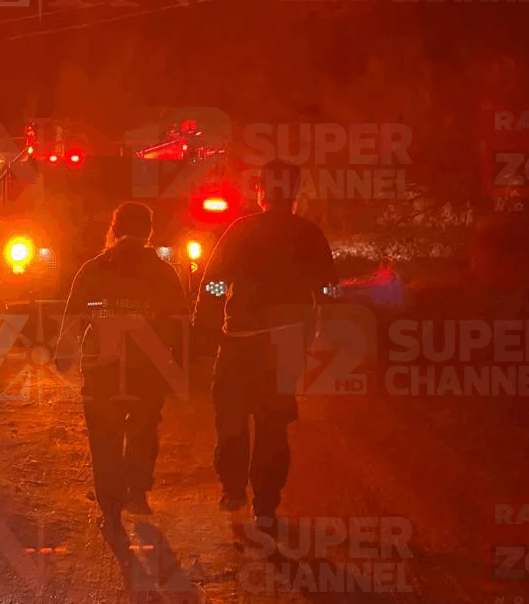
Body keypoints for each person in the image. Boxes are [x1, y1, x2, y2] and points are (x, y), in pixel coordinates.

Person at [193, 159, 338, 524]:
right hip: (285, 347)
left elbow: (213, 282)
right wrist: (322, 323)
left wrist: (205, 326)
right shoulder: (309, 234)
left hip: (238, 342)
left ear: (260, 191)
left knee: (231, 421)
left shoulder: (240, 230)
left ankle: (233, 490)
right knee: (273, 427)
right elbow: (328, 287)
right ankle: (266, 506)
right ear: (294, 193)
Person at [57, 201, 187, 529]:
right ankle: (137, 488)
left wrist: (65, 355)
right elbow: (181, 322)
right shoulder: (163, 273)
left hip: (102, 371)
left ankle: (111, 507)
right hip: (147, 369)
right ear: (149, 232)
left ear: (113, 230)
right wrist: (179, 365)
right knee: (143, 428)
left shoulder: (93, 269)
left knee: (104, 437)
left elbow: (74, 316)